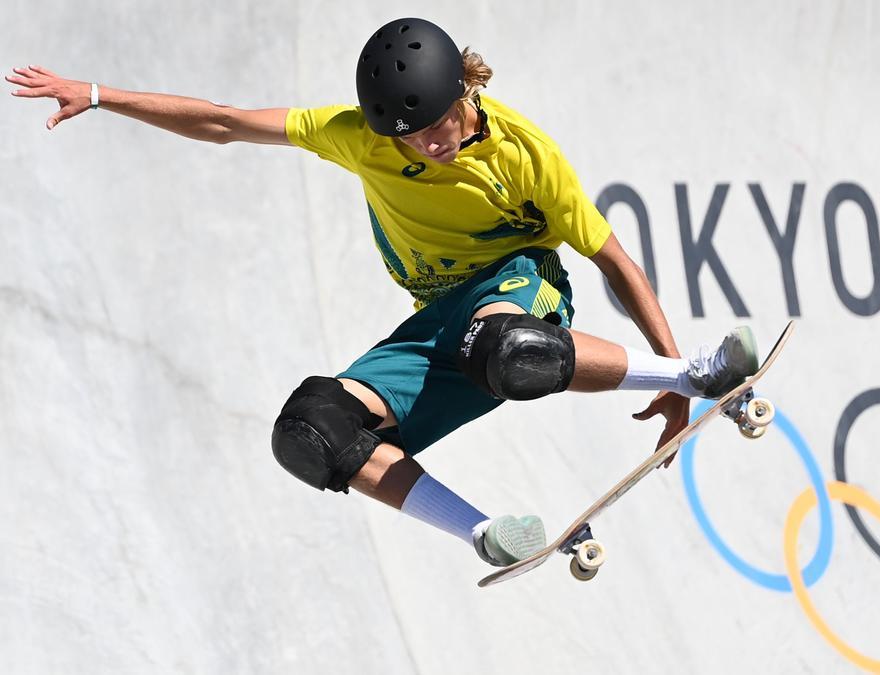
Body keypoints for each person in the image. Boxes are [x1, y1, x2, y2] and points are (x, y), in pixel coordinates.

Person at [8, 17, 759, 568]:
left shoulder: (526, 156)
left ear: (465, 91)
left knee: (504, 346)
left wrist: (678, 377)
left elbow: (618, 262)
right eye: (410, 137)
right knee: (311, 428)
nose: (430, 145)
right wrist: (100, 94)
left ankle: (701, 364)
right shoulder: (361, 136)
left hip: (518, 285)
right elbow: (227, 123)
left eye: (439, 125)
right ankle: (486, 536)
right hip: (435, 320)